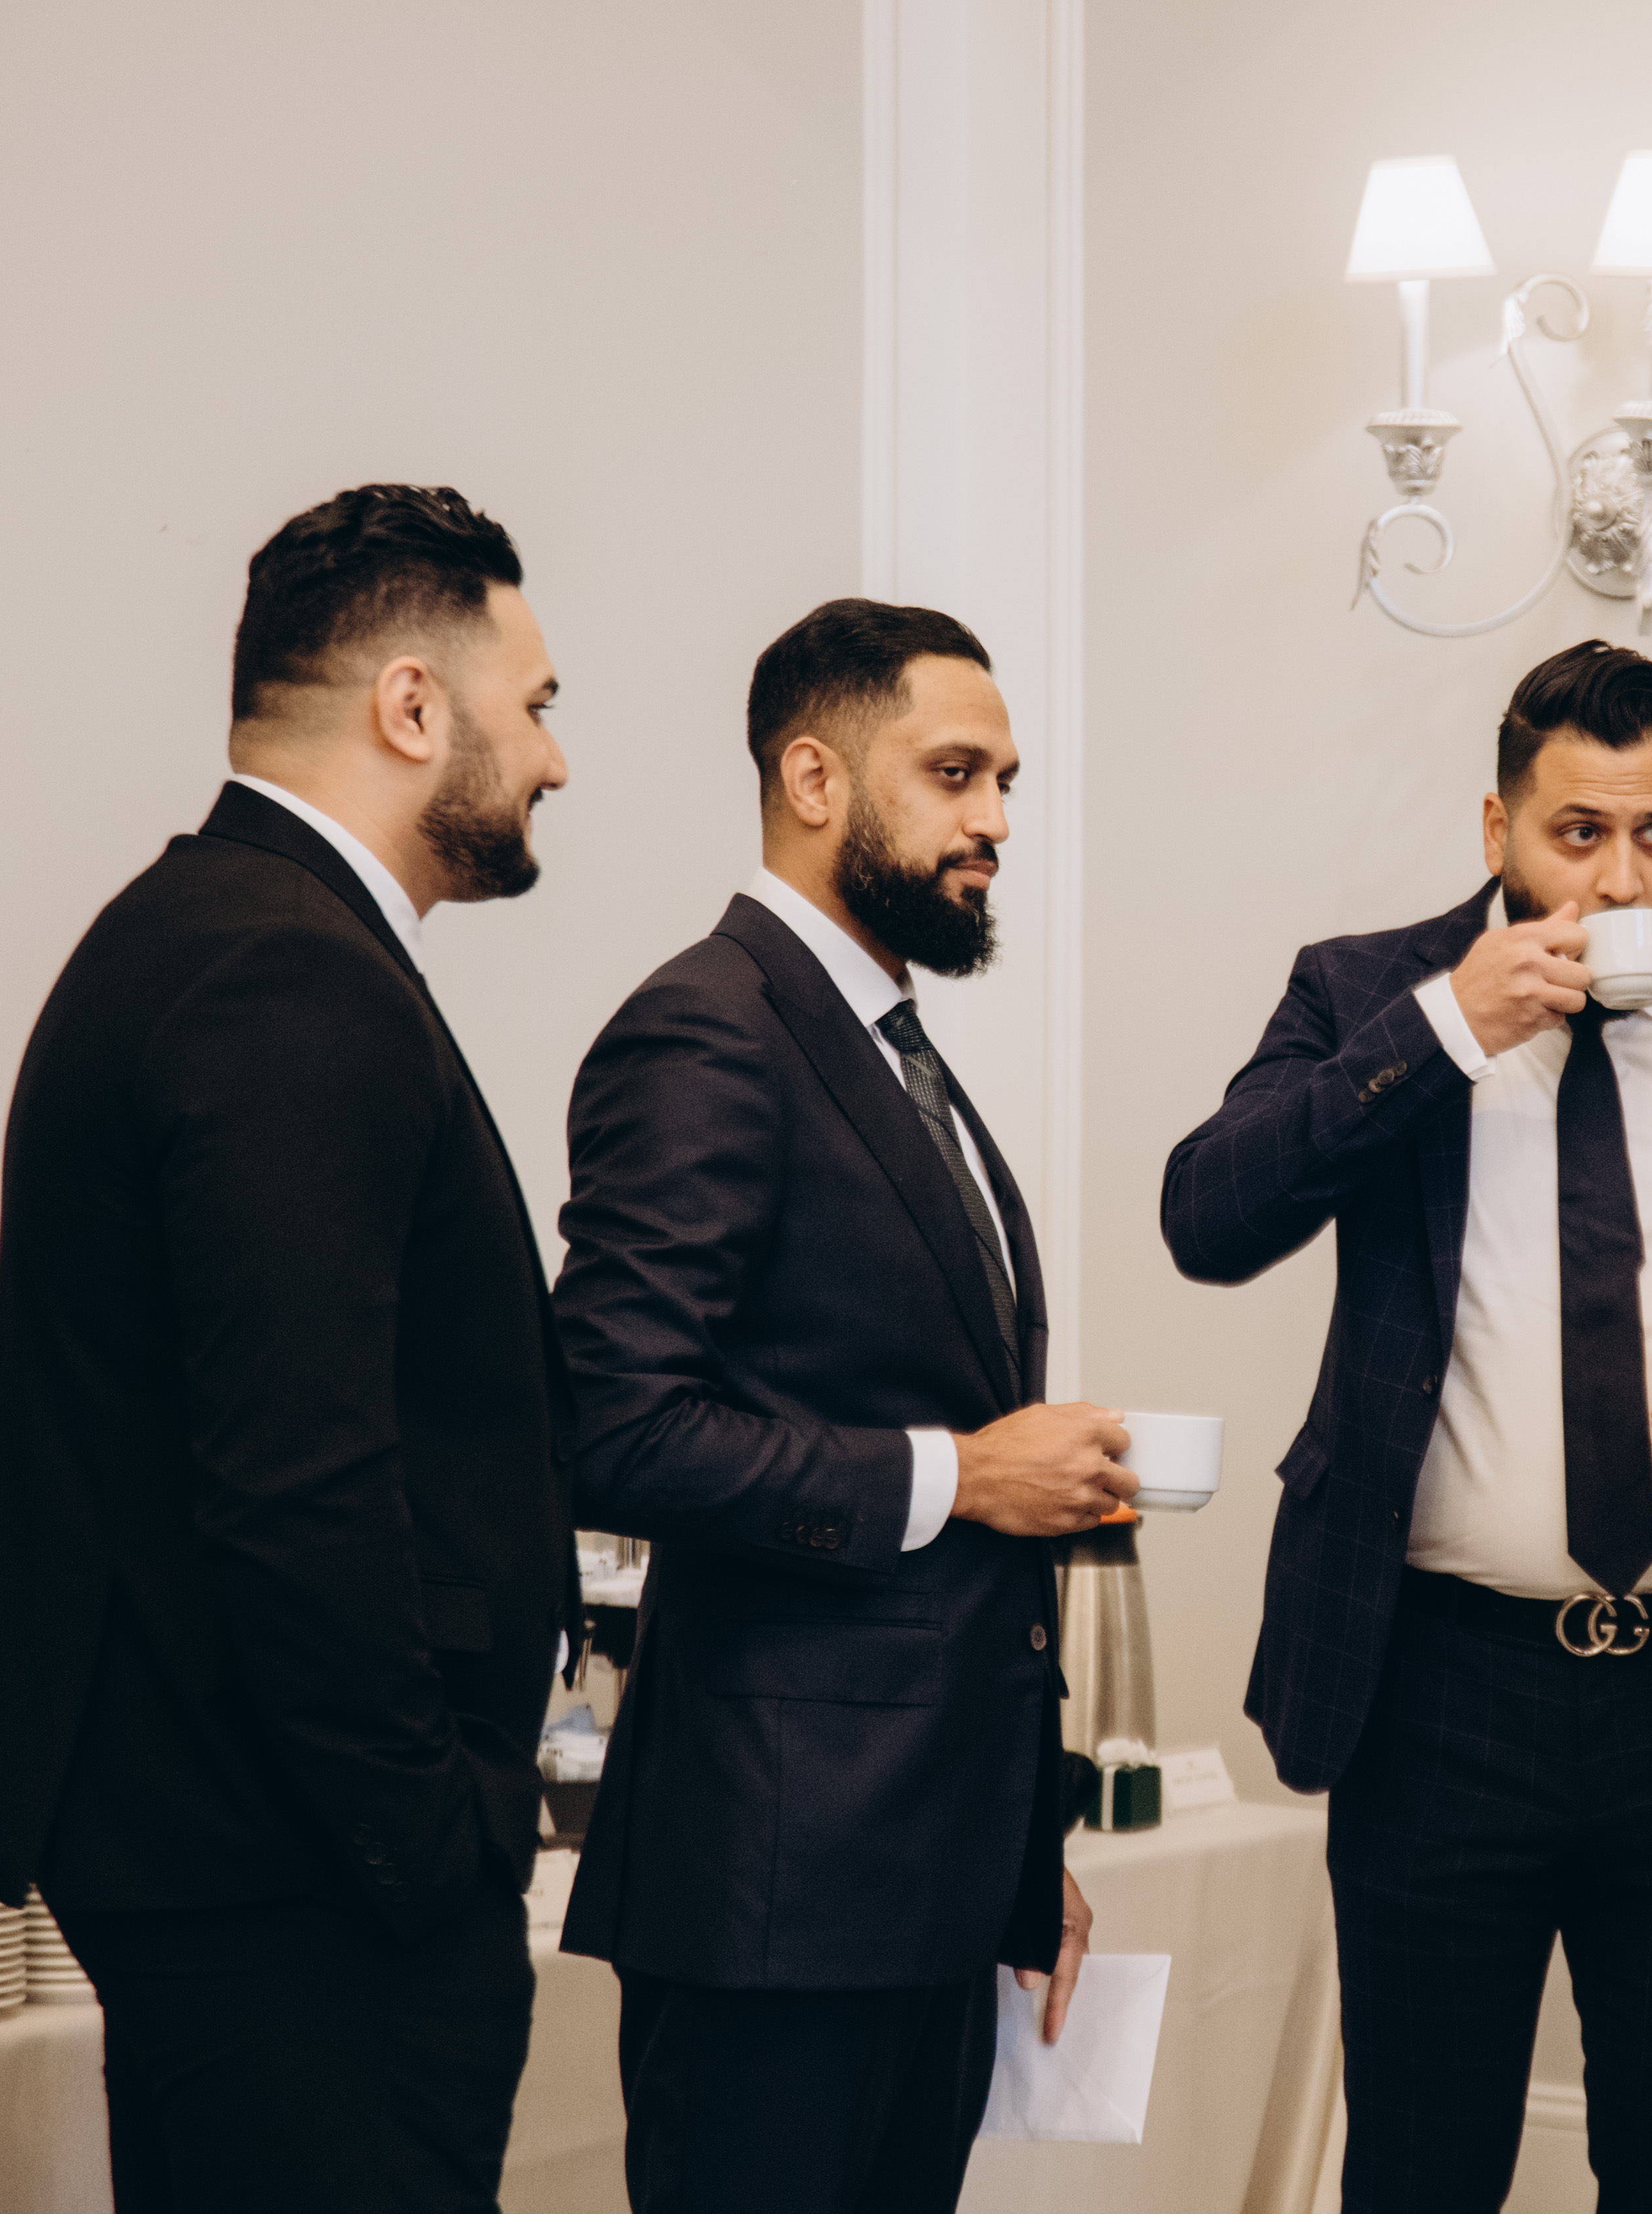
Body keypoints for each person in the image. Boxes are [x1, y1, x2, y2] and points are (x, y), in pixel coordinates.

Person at [1164, 639, 1652, 2213]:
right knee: (1422, 2168)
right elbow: (1209, 1216)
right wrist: (1441, 1030)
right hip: (1437, 1684)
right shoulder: (1361, 990)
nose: (1617, 877)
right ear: (1497, 829)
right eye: (1577, 833)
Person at [0, 484, 577, 2214]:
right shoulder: (287, 976)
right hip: (298, 1881)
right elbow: (301, 1480)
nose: (556, 759)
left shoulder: (213, 930)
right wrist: (427, 1850)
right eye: (535, 705)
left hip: (244, 1855)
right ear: (411, 707)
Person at [552, 599, 1124, 2214]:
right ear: (813, 778)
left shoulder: (890, 1049)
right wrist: (961, 1476)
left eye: (1004, 782)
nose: (993, 820)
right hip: (774, 1884)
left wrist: (1021, 1850)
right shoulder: (708, 1026)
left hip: (928, 1875)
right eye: (953, 775)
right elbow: (611, 1424)